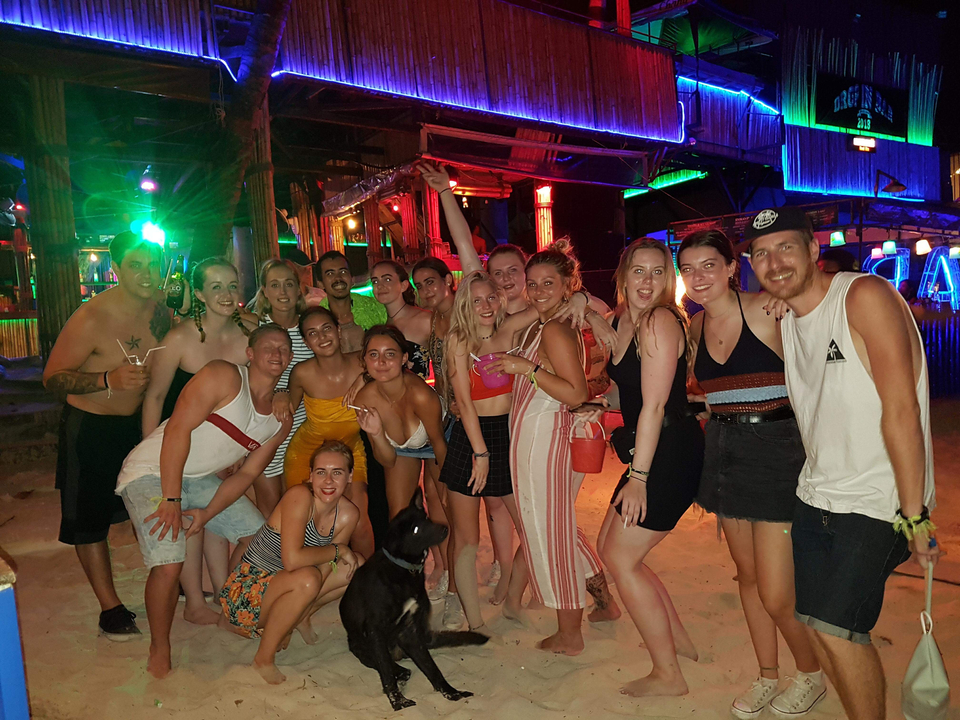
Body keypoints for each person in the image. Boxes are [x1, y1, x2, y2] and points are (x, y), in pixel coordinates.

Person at [743, 206, 939, 720]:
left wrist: (915, 514)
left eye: (787, 247)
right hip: (817, 492)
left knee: (838, 628)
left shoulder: (863, 296)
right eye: (761, 253)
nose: (775, 261)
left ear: (813, 250)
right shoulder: (787, 314)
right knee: (815, 623)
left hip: (880, 499)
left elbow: (901, 410)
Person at [677, 229, 824, 717]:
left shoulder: (766, 309)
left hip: (778, 452)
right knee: (746, 577)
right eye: (689, 268)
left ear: (730, 266)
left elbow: (824, 336)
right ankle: (767, 674)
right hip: (724, 451)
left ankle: (811, 673)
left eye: (709, 265)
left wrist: (793, 301)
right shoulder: (694, 328)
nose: (699, 277)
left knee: (779, 594)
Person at [116, 324, 294, 678]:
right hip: (152, 471)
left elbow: (245, 475)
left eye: (284, 349)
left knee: (262, 538)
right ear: (250, 354)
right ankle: (160, 646)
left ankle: (232, 607)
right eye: (268, 347)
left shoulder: (279, 418)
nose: (276, 354)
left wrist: (206, 513)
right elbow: (178, 429)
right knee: (169, 562)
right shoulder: (223, 376)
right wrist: (171, 497)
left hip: (200, 480)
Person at [488, 241, 618, 655]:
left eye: (549, 283)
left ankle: (569, 633)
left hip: (543, 442)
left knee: (550, 534)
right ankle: (606, 604)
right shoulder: (546, 324)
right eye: (533, 283)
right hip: (536, 439)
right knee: (554, 525)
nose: (539, 289)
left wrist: (523, 367)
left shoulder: (556, 329)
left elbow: (575, 391)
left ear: (568, 286)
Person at [43, 231, 171, 640]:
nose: (147, 273)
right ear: (116, 269)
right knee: (89, 519)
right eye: (136, 265)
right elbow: (52, 379)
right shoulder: (91, 317)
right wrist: (106, 378)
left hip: (138, 426)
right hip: (91, 427)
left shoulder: (162, 312)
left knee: (150, 504)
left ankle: (169, 580)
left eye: (153, 263)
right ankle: (110, 608)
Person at [592, 239, 703, 696]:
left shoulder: (659, 321)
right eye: (639, 271)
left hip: (667, 453)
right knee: (611, 547)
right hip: (653, 448)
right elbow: (630, 394)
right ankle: (680, 643)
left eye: (658, 272)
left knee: (621, 557)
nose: (648, 281)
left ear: (669, 279)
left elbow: (656, 406)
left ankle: (668, 674)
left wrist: (638, 478)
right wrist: (595, 405)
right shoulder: (624, 321)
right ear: (623, 274)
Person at [142, 257, 259, 625]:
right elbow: (155, 398)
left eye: (231, 285)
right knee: (190, 524)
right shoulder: (177, 339)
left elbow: (258, 395)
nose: (226, 294)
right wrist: (157, 459)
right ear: (198, 293)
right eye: (215, 287)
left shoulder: (252, 332)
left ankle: (224, 593)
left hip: (230, 448)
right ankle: (194, 601)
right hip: (184, 447)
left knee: (219, 520)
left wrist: (243, 450)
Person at [220, 439, 360, 684]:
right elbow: (293, 559)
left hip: (285, 585)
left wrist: (298, 611)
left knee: (355, 565)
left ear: (349, 477)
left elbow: (328, 569)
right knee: (308, 578)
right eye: (321, 472)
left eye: (337, 473)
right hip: (248, 590)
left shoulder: (348, 514)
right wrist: (337, 549)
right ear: (311, 475)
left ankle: (297, 617)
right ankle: (263, 659)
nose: (328, 481)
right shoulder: (299, 497)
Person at [281, 306, 374, 558]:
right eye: (312, 333)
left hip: (351, 451)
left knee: (360, 521)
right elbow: (287, 408)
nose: (322, 337)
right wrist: (280, 396)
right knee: (309, 525)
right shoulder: (302, 373)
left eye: (326, 329)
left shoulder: (362, 362)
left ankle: (368, 584)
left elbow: (396, 364)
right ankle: (315, 584)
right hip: (307, 454)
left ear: (338, 330)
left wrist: (365, 377)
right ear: (305, 342)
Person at [248, 259, 314, 513]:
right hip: (263, 430)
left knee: (300, 510)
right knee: (270, 513)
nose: (283, 292)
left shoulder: (310, 327)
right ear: (264, 290)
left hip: (302, 429)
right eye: (274, 285)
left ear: (299, 289)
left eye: (289, 284)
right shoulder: (254, 327)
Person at [315, 250, 387, 353]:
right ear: (320, 284)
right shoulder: (316, 321)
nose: (338, 278)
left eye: (343, 272)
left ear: (352, 279)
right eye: (330, 274)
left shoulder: (376, 309)